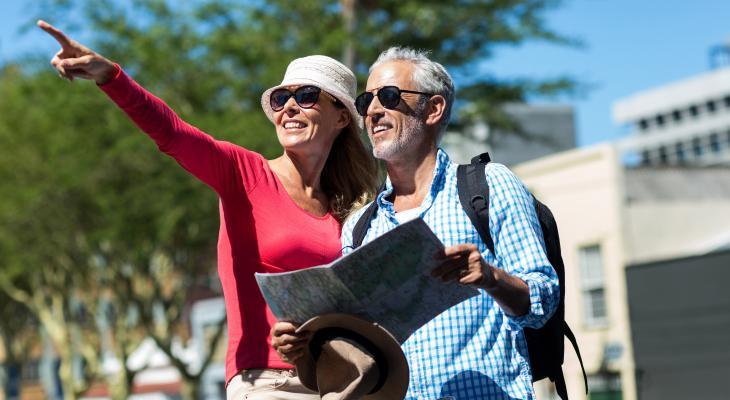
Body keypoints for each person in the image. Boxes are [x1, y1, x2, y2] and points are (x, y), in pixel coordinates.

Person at [38, 20, 378, 400]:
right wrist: (110, 76)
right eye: (282, 99)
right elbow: (172, 133)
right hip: (266, 380)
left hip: (336, 381)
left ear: (342, 116)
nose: (290, 108)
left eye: (308, 96)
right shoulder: (243, 173)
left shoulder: (349, 208)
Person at [274, 47, 560, 400]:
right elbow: (355, 346)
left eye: (390, 97)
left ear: (434, 109)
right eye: (366, 101)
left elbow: (543, 300)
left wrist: (490, 277)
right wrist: (302, 346)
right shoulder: (361, 227)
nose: (374, 111)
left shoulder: (489, 186)